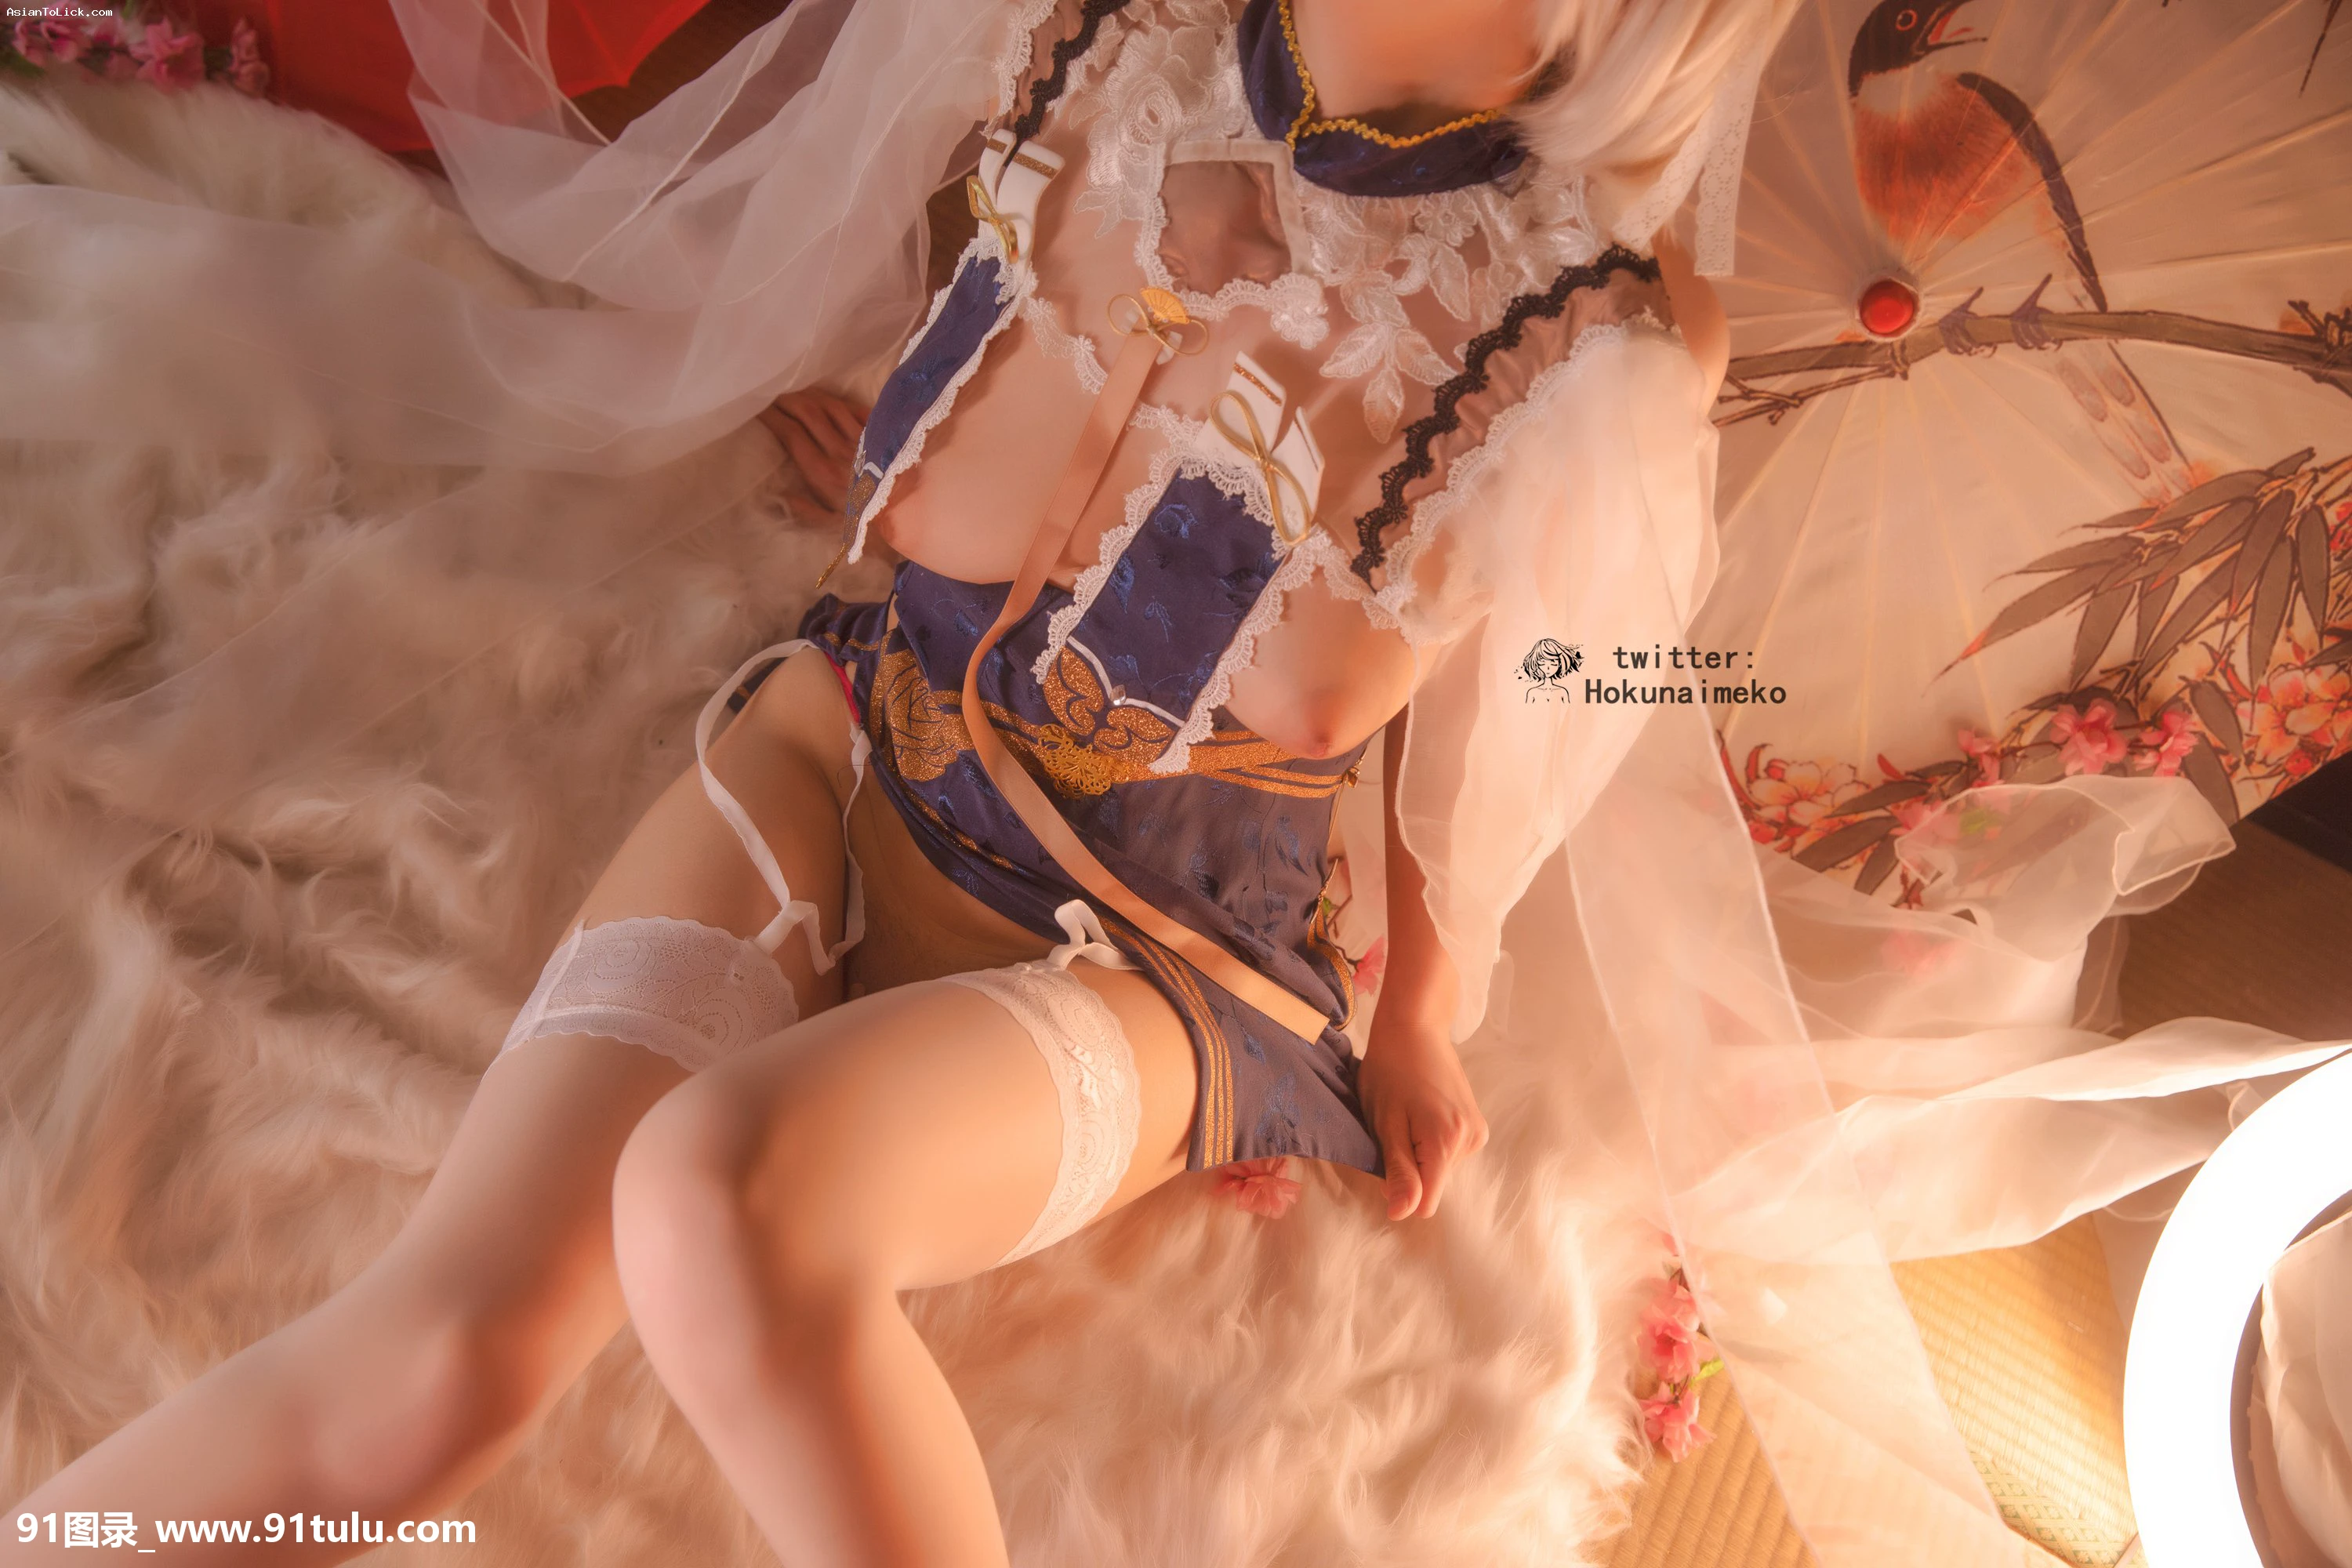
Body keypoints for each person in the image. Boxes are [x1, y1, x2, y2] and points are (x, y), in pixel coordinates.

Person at [2, 0, 1782, 1563]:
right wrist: (906, 420)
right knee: (445, 1345)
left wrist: (1426, 1007)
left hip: (1147, 950)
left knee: (719, 1199)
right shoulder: (1091, 33)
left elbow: (1540, 695)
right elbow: (951, 317)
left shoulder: (1597, 337)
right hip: (845, 737)